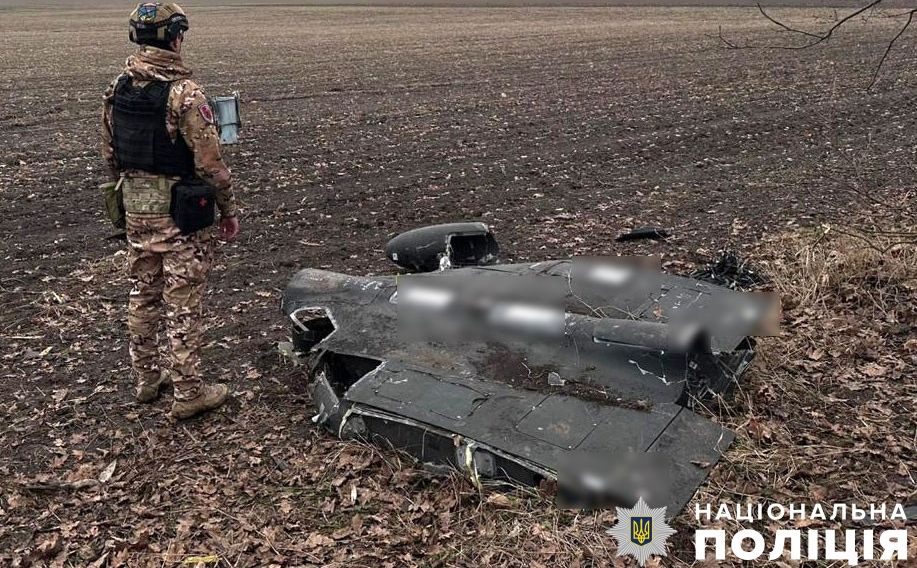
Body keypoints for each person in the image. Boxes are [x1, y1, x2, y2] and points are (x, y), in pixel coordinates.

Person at [101, 2, 240, 419]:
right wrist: (228, 208)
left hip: (136, 210)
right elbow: (210, 164)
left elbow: (109, 153)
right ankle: (188, 393)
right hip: (181, 216)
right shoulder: (185, 93)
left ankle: (146, 381)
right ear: (176, 37)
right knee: (182, 301)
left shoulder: (118, 87)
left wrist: (125, 199)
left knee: (142, 295)